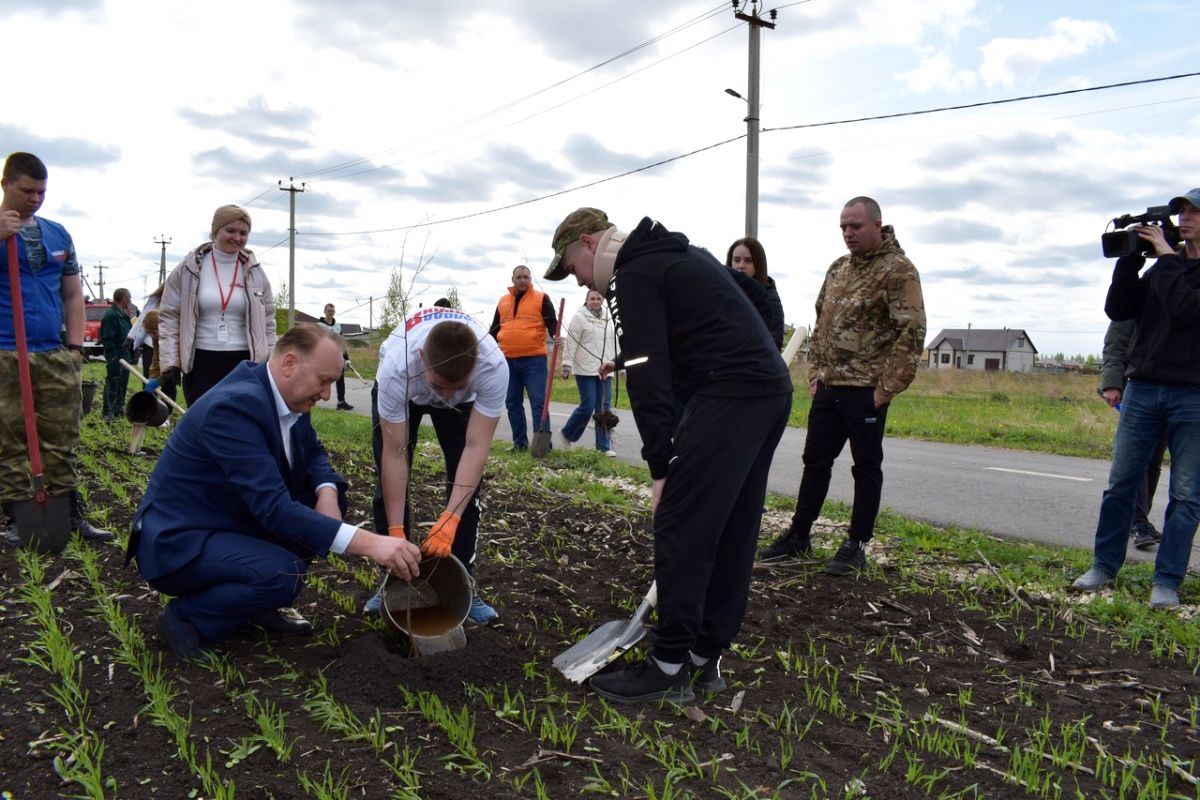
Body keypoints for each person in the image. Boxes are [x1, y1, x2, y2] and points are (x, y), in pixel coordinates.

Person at [544, 207, 792, 704]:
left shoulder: (634, 273)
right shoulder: (674, 256)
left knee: (682, 524)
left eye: (571, 266)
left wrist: (662, 469)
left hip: (730, 394)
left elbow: (649, 376)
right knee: (730, 529)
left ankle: (668, 666)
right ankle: (704, 658)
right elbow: (740, 309)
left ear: (589, 244)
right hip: (766, 390)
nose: (574, 277)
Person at [128, 324, 422, 659]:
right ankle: (187, 619)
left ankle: (252, 608)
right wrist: (371, 543)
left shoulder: (285, 398)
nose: (327, 394)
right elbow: (274, 510)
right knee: (282, 573)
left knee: (322, 503)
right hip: (179, 542)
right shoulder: (234, 408)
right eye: (323, 380)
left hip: (227, 521)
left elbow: (313, 454)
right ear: (289, 363)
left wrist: (326, 495)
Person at [759, 196, 926, 576]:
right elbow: (820, 322)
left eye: (855, 226)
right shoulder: (839, 269)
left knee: (865, 467)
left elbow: (912, 331)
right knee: (814, 462)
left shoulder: (898, 270)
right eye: (843, 227)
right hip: (830, 387)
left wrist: (886, 388)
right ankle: (799, 534)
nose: (848, 233)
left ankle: (856, 544)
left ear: (877, 225)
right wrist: (815, 371)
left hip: (866, 390)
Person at [1072, 188, 1200, 609]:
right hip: (1144, 389)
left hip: (1192, 396)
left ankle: (1166, 582)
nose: (1184, 219)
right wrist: (1130, 261)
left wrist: (1164, 256)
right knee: (1121, 485)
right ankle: (1103, 566)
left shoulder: (1172, 266)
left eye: (1194, 212)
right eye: (1181, 211)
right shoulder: (1164, 267)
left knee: (1185, 495)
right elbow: (1119, 309)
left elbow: (1186, 309)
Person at [368, 306, 509, 623]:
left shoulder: (493, 367)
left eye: (456, 386)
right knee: (388, 484)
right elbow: (395, 453)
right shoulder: (398, 367)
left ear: (474, 369)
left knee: (467, 494)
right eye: (439, 385)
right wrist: (396, 532)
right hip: (406, 393)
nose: (445, 396)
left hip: (460, 400)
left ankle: (463, 587)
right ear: (421, 357)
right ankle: (392, 581)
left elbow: (476, 447)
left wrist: (450, 518)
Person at [0, 152, 112, 546]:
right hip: (5, 350)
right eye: (27, 190)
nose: (35, 199)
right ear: (6, 184)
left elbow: (72, 294)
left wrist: (75, 347)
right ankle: (18, 516)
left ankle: (68, 514)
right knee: (10, 435)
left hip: (53, 351)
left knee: (62, 435)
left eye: (41, 192)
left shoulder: (58, 234)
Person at [157, 205, 276, 406]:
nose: (237, 238)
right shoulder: (187, 269)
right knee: (203, 425)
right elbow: (169, 318)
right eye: (230, 231)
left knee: (238, 424)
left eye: (243, 233)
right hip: (201, 363)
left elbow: (268, 324)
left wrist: (272, 364)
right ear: (215, 231)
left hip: (245, 364)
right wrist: (170, 365)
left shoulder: (256, 273)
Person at [1099, 319, 1166, 550]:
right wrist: (1112, 383)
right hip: (1135, 391)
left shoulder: (1179, 292)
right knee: (1137, 461)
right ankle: (1138, 522)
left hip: (1173, 393)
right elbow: (1115, 344)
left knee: (1154, 462)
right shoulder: (1135, 296)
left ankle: (1139, 520)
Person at [490, 265, 559, 451]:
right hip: (508, 361)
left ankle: (542, 447)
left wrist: (556, 335)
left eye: (526, 277)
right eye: (519, 277)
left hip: (534, 360)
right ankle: (519, 444)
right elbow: (494, 329)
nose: (522, 280)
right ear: (512, 279)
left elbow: (552, 324)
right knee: (512, 403)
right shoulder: (503, 301)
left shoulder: (541, 298)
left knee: (538, 402)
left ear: (530, 280)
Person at [558, 290, 619, 455]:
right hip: (585, 368)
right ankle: (567, 434)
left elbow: (615, 342)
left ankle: (604, 446)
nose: (595, 301)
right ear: (586, 300)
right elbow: (571, 341)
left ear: (603, 300)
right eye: (592, 298)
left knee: (604, 409)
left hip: (606, 368)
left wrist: (618, 364)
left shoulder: (609, 318)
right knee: (588, 406)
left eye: (598, 298)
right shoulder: (579, 317)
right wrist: (566, 365)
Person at [726, 237, 784, 350]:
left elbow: (774, 343)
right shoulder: (723, 293)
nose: (741, 265)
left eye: (748, 261)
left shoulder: (769, 300)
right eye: (736, 260)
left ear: (758, 265)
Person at [100, 288, 134, 420]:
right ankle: (108, 412)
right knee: (113, 382)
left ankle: (119, 408)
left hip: (124, 354)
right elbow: (107, 338)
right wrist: (113, 356)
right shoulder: (111, 315)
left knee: (123, 382)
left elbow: (130, 333)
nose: (130, 300)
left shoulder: (124, 315)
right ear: (123, 298)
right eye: (129, 297)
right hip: (115, 354)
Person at [316, 302, 353, 410]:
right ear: (325, 312)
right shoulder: (319, 326)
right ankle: (312, 396)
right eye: (328, 311)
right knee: (323, 378)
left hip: (337, 357)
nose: (330, 313)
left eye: (332, 311)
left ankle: (341, 402)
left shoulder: (337, 326)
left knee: (340, 379)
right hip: (324, 358)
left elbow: (341, 343)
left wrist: (347, 359)